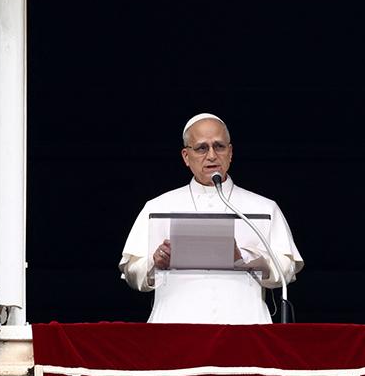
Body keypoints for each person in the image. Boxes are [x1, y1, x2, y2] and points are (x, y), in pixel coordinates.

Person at [119, 113, 304, 324]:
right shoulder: (158, 207)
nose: (212, 155)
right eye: (201, 148)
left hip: (245, 326)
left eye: (219, 146)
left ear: (231, 152)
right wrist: (155, 262)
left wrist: (244, 259)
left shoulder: (263, 207)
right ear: (186, 156)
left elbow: (287, 270)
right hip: (175, 325)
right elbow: (132, 273)